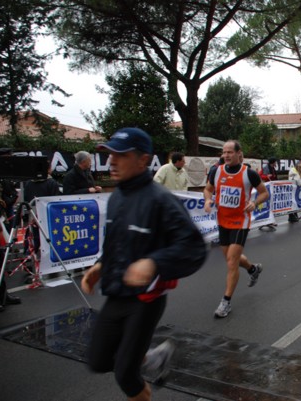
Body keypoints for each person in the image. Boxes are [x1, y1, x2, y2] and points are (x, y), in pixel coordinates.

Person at [81, 127, 207, 401]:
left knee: (125, 375)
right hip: (117, 292)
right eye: (110, 154)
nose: (112, 161)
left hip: (145, 298)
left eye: (121, 155)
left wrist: (153, 263)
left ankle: (140, 361)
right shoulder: (115, 197)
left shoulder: (161, 200)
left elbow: (195, 248)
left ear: (142, 159)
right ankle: (152, 357)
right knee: (98, 361)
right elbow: (116, 241)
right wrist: (100, 265)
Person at [204, 140, 270, 319]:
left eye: (230, 152)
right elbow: (208, 189)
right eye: (224, 152)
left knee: (231, 262)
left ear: (239, 153)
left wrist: (254, 202)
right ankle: (252, 269)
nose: (226, 155)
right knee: (230, 258)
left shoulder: (249, 174)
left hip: (241, 222)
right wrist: (208, 199)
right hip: (223, 221)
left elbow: (264, 193)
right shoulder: (216, 171)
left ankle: (225, 302)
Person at [0, 148, 21, 312]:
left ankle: (3, 295)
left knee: (2, 258)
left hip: (2, 219)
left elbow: (11, 194)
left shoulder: (4, 178)